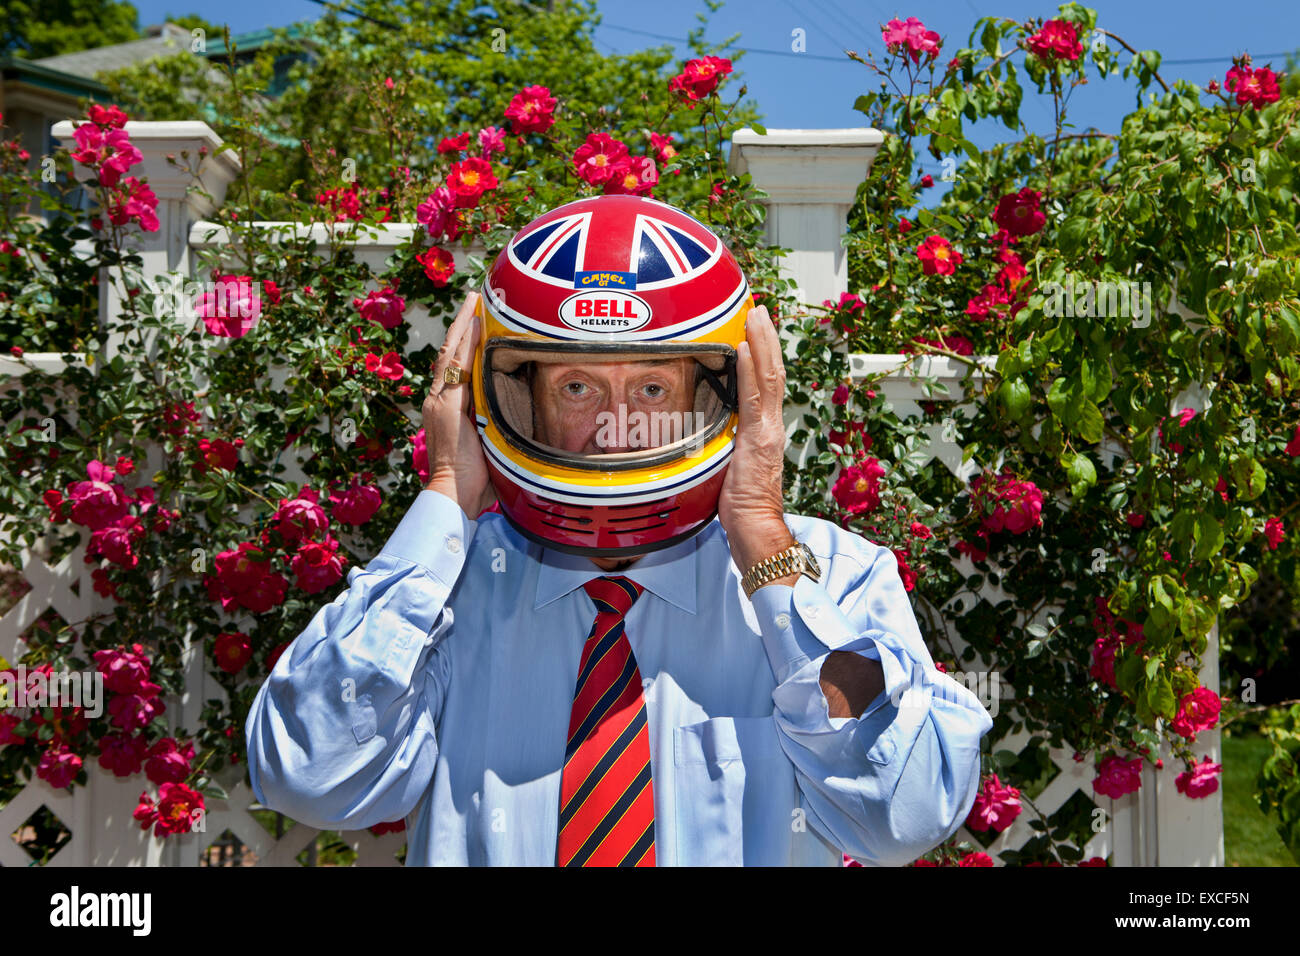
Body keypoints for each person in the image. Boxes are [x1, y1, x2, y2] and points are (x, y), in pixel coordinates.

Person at [245, 195, 993, 866]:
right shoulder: (450, 586)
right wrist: (445, 495)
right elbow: (308, 778)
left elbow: (905, 815)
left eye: (653, 387)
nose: (615, 423)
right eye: (576, 386)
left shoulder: (834, 573)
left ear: (722, 393)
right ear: (511, 396)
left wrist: (764, 541)